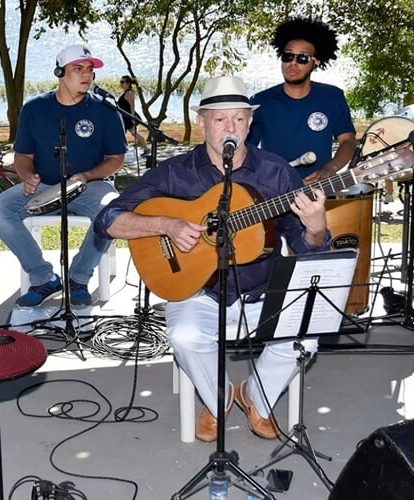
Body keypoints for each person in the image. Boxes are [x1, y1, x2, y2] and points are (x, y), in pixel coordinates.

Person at [94, 76, 331, 442]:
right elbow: (107, 220)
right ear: (202, 122)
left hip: (262, 292)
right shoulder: (176, 174)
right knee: (185, 335)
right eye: (220, 119)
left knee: (306, 336)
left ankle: (257, 397)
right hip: (198, 293)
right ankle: (218, 400)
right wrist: (166, 224)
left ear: (251, 123)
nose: (230, 127)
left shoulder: (275, 172)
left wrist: (315, 225)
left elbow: (309, 247)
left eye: (238, 118)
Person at [0, 43, 127, 306]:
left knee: (112, 212)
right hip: (46, 186)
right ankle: (43, 278)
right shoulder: (35, 108)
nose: (86, 75)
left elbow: (116, 159)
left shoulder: (105, 110)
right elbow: (23, 157)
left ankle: (79, 278)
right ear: (60, 72)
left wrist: (87, 175)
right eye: (78, 69)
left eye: (90, 70)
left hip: (91, 185)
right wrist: (27, 177)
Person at [246, 17, 356, 183]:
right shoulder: (260, 101)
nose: (293, 63)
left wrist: (330, 169)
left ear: (316, 63)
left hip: (317, 192)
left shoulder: (332, 97)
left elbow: (348, 141)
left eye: (302, 58)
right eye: (288, 56)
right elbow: (246, 151)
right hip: (273, 193)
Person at [117, 75, 147, 149]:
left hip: (128, 118)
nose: (121, 84)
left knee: (134, 134)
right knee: (129, 134)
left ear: (128, 83)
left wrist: (133, 118)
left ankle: (146, 149)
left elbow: (132, 106)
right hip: (124, 117)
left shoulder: (129, 93)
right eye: (121, 82)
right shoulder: (126, 92)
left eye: (122, 82)